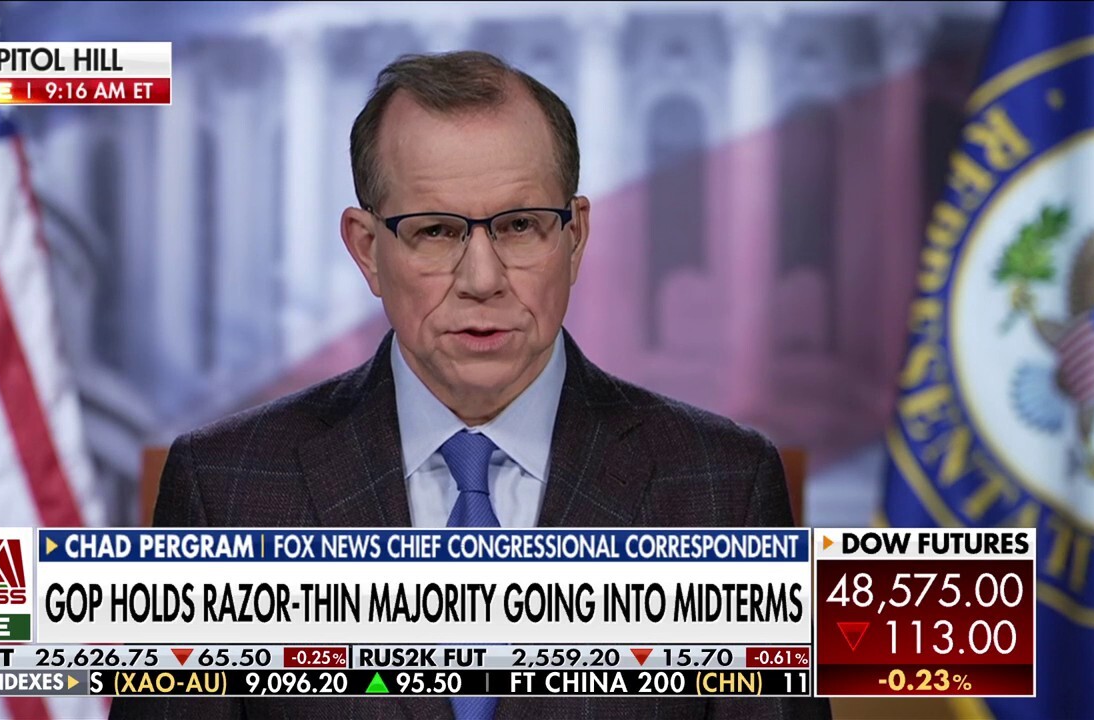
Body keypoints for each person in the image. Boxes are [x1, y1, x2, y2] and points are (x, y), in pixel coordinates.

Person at [112, 51, 830, 720]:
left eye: (519, 226)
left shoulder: (723, 489)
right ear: (367, 249)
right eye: (435, 231)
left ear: (574, 237)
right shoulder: (226, 492)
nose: (482, 279)